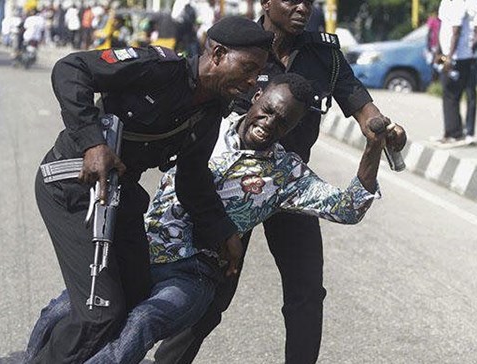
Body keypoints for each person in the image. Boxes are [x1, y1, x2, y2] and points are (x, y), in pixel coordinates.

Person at [24, 73, 388, 364]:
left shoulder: (287, 175)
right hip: (139, 249)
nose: (270, 123)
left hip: (193, 275)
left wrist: (372, 148)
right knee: (66, 308)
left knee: (142, 322)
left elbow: (350, 207)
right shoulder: (205, 129)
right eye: (269, 111)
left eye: (283, 123)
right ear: (257, 98)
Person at [155, 1, 408, 363]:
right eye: (292, 0)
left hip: (291, 186)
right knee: (211, 290)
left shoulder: (326, 57)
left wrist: (384, 130)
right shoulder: (240, 43)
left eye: (309, 1)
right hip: (233, 187)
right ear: (266, 3)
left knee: (306, 293)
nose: (302, 7)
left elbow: (363, 109)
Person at [28, 16, 273, 364]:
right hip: (76, 185)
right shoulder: (157, 68)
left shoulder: (209, 111)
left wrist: (224, 231)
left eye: (257, 72)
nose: (252, 81)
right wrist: (91, 143)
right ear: (217, 54)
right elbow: (70, 69)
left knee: (135, 293)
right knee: (100, 311)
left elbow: (192, 179)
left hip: (119, 195)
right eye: (247, 68)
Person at [433, 0, 477, 147]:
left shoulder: (462, 5)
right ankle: (450, 132)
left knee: (461, 94)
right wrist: (438, 52)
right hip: (449, 54)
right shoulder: (445, 3)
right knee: (448, 93)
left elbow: (457, 31)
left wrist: (451, 56)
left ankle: (462, 133)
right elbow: (442, 30)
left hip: (462, 56)